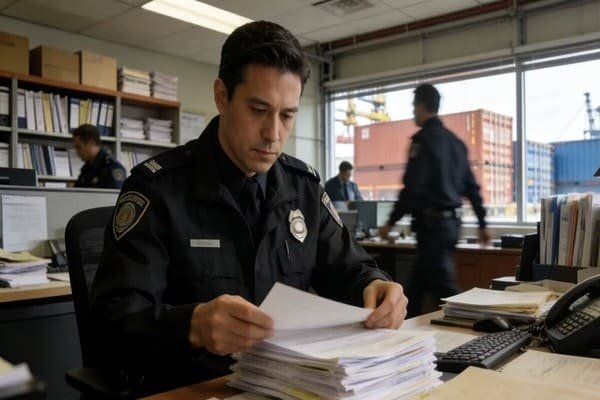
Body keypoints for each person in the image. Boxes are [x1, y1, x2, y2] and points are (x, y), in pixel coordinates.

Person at [91, 20, 407, 395]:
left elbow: (350, 268)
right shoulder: (157, 189)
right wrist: (192, 325)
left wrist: (377, 286)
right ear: (222, 96)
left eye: (287, 115)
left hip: (288, 385)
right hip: (196, 387)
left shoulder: (302, 187)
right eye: (258, 110)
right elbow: (112, 322)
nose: (273, 134)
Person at [378, 83, 490, 318]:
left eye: (413, 106)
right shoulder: (456, 144)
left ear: (420, 106)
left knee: (444, 289)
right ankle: (401, 336)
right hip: (450, 227)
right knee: (416, 290)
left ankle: (476, 326)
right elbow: (472, 187)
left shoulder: (424, 140)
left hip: (433, 228)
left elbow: (412, 188)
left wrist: (390, 222)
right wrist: (482, 223)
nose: (412, 112)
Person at [72, 124, 126, 189]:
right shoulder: (86, 168)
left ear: (91, 143)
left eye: (79, 147)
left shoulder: (112, 167)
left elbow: (114, 196)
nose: (77, 152)